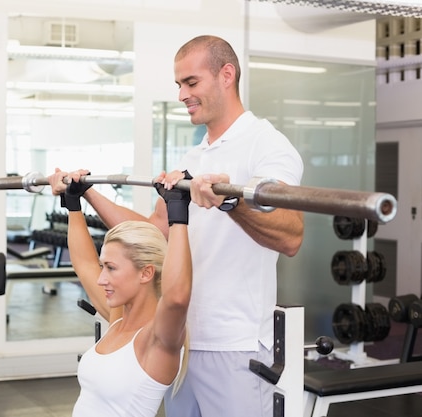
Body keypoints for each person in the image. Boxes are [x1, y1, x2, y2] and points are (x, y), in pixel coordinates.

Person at [49, 35, 304, 417]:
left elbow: (290, 232)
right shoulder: (195, 154)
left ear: (226, 75)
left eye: (191, 82)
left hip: (233, 342)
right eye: (179, 85)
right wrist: (87, 194)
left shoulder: (266, 145)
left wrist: (230, 201)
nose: (183, 94)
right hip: (181, 337)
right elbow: (156, 227)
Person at [48, 171, 192, 417]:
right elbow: (84, 265)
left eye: (111, 268)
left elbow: (177, 298)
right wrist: (73, 204)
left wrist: (178, 215)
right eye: (104, 266)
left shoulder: (156, 341)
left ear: (146, 273)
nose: (102, 278)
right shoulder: (117, 323)